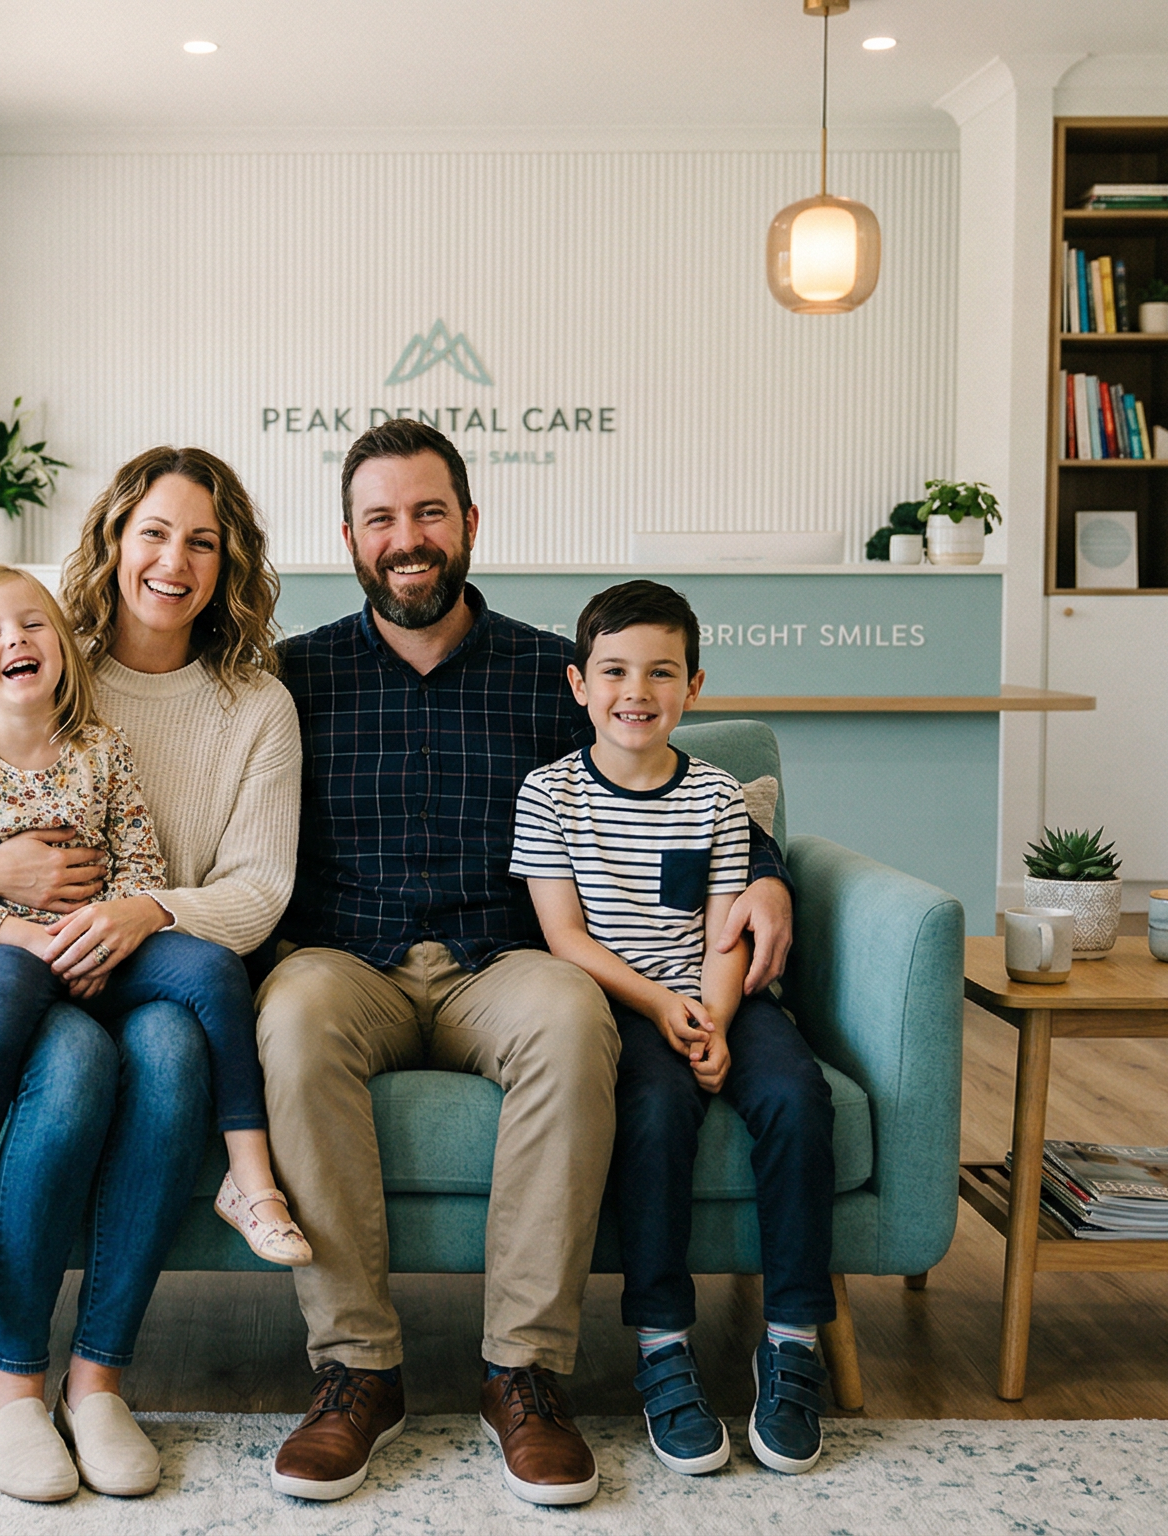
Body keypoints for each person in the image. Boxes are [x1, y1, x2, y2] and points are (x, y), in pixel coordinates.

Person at [256, 419, 797, 1508]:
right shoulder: (289, 678)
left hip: (501, 961)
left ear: (468, 525)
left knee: (568, 1015)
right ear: (348, 540)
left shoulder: (548, 671)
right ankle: (355, 1371)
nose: (405, 538)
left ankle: (526, 1371)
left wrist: (769, 868)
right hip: (344, 960)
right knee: (293, 1016)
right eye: (380, 519)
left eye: (427, 513)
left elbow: (664, 771)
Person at [0, 450, 303, 1503]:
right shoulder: (41, 653)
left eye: (201, 541)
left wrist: (142, 911)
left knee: (174, 1049)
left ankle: (97, 1382)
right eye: (153, 532)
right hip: (9, 977)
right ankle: (7, 1386)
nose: (172, 560)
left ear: (228, 567)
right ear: (112, 540)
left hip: (144, 969)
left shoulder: (255, 707)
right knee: (75, 1065)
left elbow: (259, 891)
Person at [512, 579, 835, 1479]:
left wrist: (719, 1018)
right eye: (614, 671)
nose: (637, 692)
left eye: (661, 672)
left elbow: (726, 925)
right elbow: (565, 937)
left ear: (695, 685)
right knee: (653, 1117)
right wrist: (663, 1010)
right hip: (622, 1006)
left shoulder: (719, 797)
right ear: (579, 684)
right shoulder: (549, 796)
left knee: (797, 1098)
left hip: (719, 997)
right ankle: (663, 1348)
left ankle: (794, 1343)